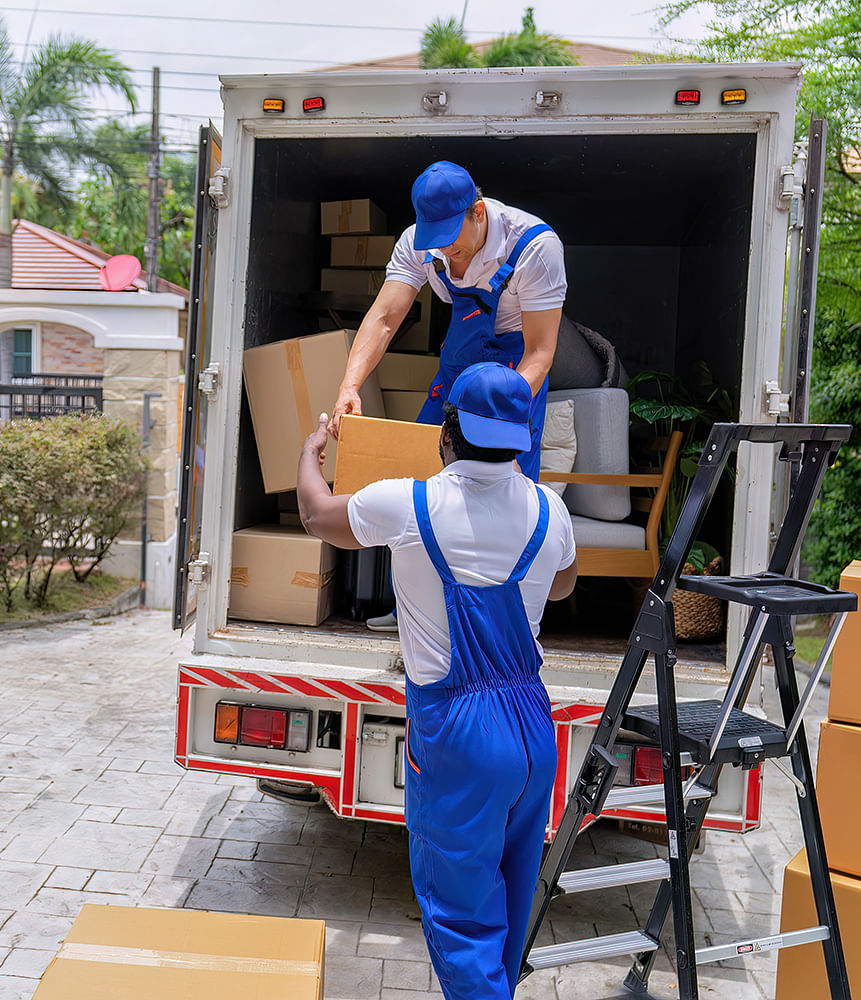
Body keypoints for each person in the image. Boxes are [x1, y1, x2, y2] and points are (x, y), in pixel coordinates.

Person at [298, 362, 577, 1000]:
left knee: (462, 919)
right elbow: (562, 584)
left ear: (445, 435)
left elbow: (317, 516)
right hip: (534, 731)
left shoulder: (406, 503)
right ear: (520, 440)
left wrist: (311, 453)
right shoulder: (550, 511)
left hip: (460, 735)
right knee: (507, 904)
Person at [330, 160, 566, 483]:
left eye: (451, 236)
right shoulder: (419, 245)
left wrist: (502, 417)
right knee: (421, 472)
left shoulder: (534, 248)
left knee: (504, 491)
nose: (443, 247)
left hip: (514, 376)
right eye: (434, 237)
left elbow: (540, 353)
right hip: (456, 367)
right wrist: (349, 386)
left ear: (478, 212)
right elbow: (385, 318)